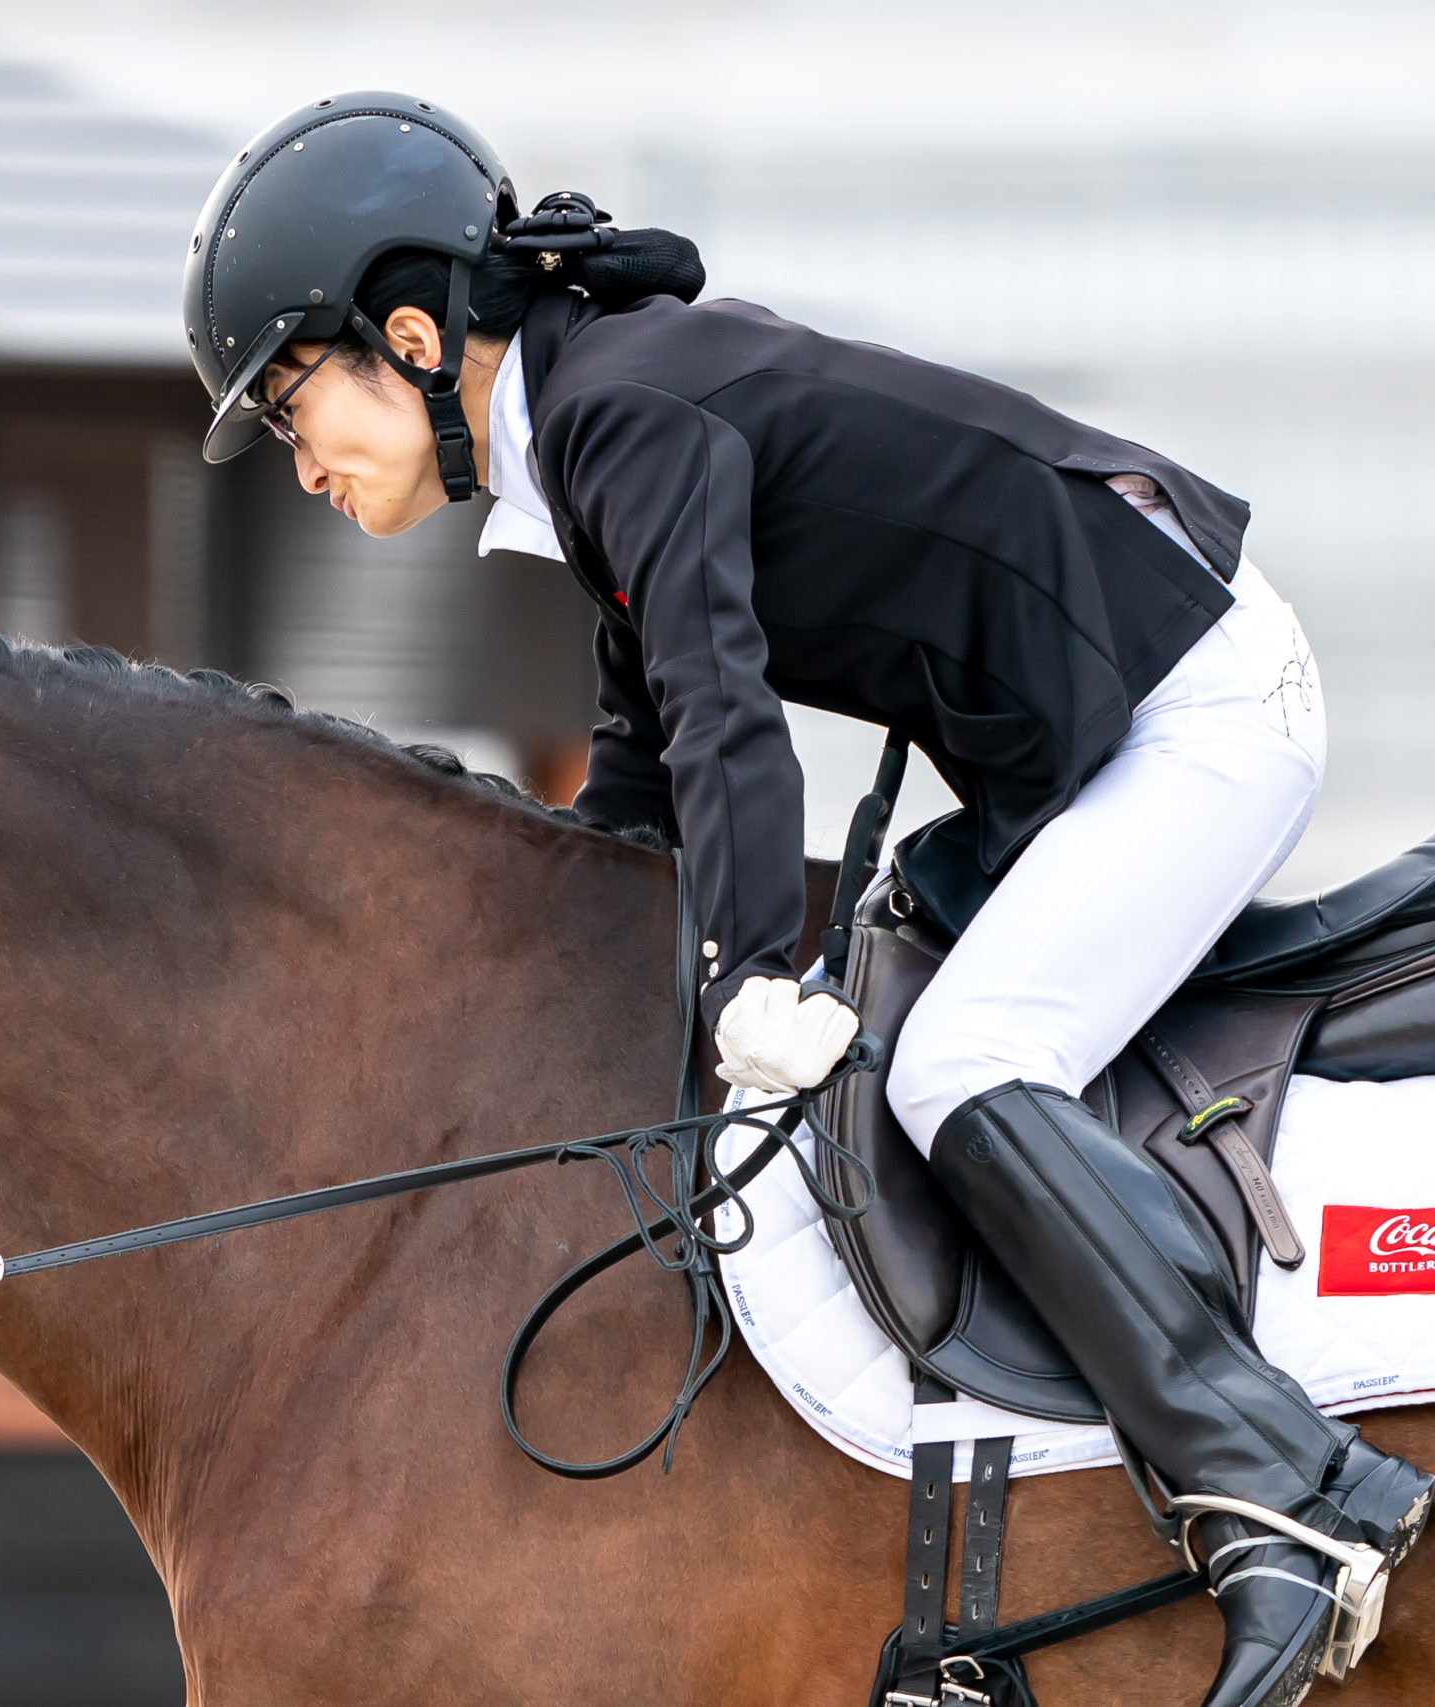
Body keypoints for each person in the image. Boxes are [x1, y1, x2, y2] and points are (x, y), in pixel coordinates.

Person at [185, 91, 1428, 1707]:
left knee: (962, 1065)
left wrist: (748, 972)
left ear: (412, 337)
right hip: (1096, 728)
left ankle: (1288, 1491)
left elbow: (728, 719)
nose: (304, 470)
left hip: (1199, 710)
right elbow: (638, 797)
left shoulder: (624, 416)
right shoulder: (593, 428)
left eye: (296, 412)